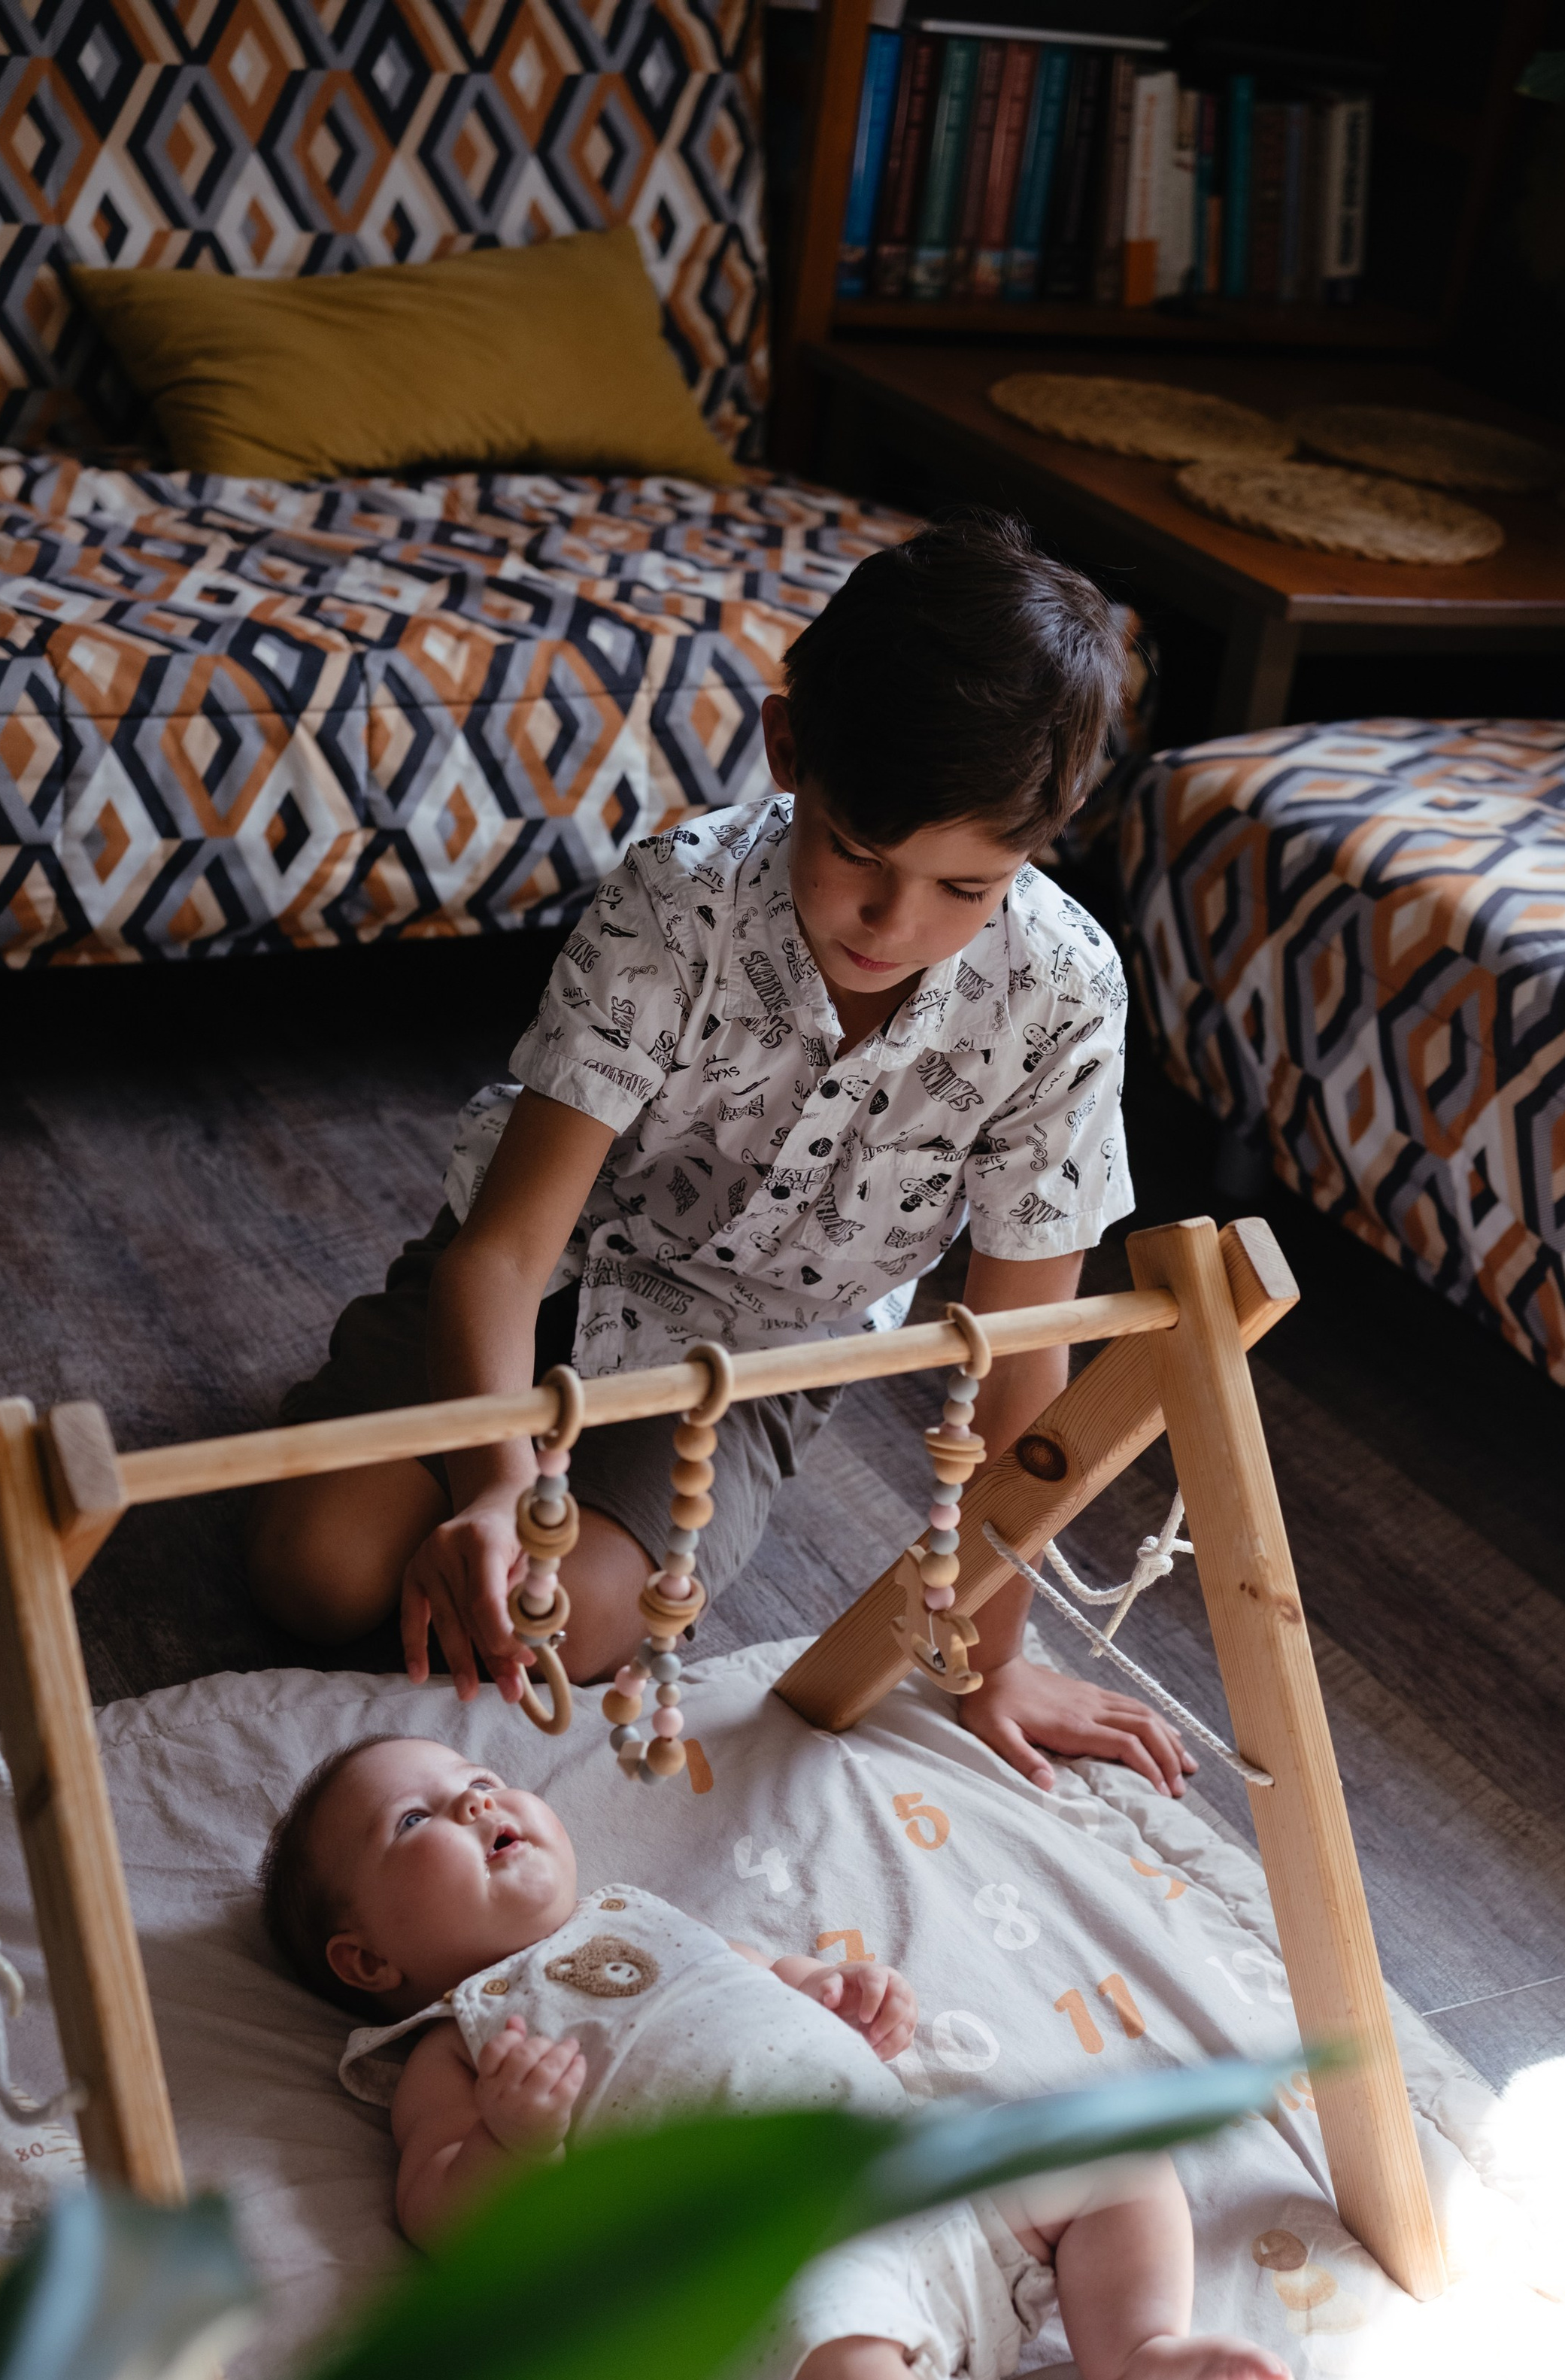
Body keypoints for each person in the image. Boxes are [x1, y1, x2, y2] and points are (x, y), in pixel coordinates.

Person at [248, 508, 1191, 1799]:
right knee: (315, 1570)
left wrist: (992, 1663)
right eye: (857, 853)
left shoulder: (1068, 996)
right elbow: (507, 1251)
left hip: (748, 1364)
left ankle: (498, 1512)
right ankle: (406, 1453)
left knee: (560, 1626)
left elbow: (1026, 1358)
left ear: (1042, 837)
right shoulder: (679, 898)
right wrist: (489, 1487)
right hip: (553, 1281)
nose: (892, 922)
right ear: (787, 746)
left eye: (963, 889)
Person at [264, 1735, 1292, 2380]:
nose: (476, 1798)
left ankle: (1137, 2360)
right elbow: (437, 2208)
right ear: (366, 1964)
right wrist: (510, 2143)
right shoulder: (460, 2043)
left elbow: (772, 1982)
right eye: (416, 1821)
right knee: (817, 2347)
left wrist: (841, 1993)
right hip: (787, 2265)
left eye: (477, 1775)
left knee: (1103, 2147)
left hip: (922, 2187)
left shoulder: (641, 1913)